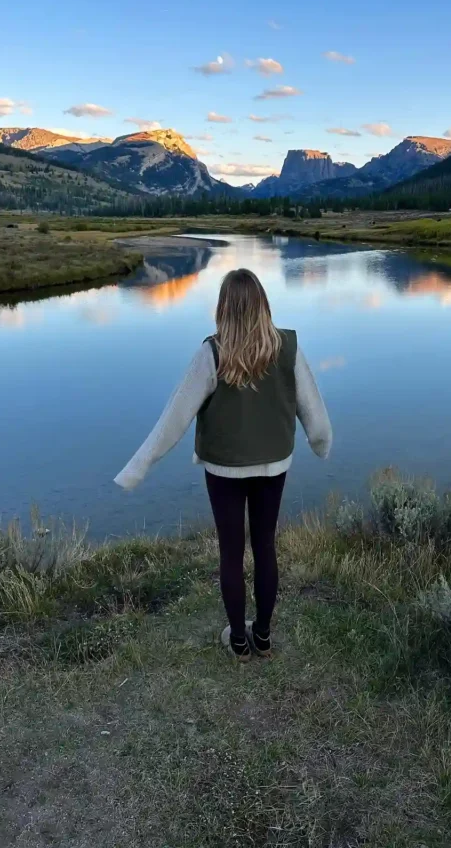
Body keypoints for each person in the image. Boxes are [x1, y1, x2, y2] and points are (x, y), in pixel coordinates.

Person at [115, 268, 332, 661]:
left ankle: (237, 640)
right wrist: (322, 444)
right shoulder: (287, 348)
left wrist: (138, 466)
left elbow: (174, 418)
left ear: (223, 309)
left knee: (231, 552)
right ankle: (262, 637)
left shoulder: (211, 354)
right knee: (265, 546)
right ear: (263, 304)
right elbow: (313, 411)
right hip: (273, 466)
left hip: (224, 470)